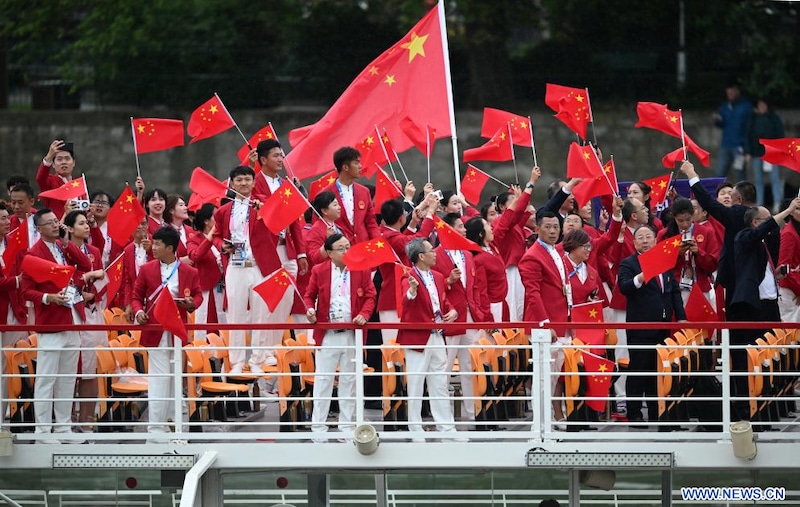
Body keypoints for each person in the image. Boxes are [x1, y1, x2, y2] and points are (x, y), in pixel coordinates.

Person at [213, 165, 300, 375]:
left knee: (262, 313)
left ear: (254, 182)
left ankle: (258, 360)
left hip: (260, 266)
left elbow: (280, 225)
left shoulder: (263, 204)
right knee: (236, 314)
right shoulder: (224, 211)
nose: (243, 183)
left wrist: (266, 210)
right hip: (236, 265)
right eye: (239, 180)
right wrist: (221, 246)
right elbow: (216, 235)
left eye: (247, 180)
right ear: (232, 183)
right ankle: (236, 362)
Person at [20, 208, 93, 442]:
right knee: (46, 378)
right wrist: (48, 298)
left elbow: (84, 263)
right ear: (38, 229)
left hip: (71, 316)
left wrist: (67, 241)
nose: (55, 225)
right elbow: (26, 290)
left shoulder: (63, 247)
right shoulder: (34, 253)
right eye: (50, 223)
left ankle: (63, 428)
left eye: (56, 221)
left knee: (67, 377)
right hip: (51, 320)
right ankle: (43, 430)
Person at [728, 199, 800, 421]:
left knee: (771, 358)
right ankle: (749, 410)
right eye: (767, 220)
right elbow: (761, 231)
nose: (771, 224)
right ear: (756, 223)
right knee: (751, 360)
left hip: (769, 306)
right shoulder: (743, 237)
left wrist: (777, 274)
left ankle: (768, 408)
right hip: (750, 310)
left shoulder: (761, 245)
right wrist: (788, 211)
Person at [303, 233, 376, 441]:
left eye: (348, 247)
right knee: (323, 380)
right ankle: (318, 428)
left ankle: (346, 426)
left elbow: (371, 295)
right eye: (341, 248)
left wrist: (364, 314)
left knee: (349, 381)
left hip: (352, 333)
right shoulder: (319, 270)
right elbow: (309, 295)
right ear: (330, 253)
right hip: (328, 333)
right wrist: (310, 310)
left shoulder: (360, 269)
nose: (347, 251)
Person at [131, 226, 202, 439]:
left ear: (170, 248)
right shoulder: (146, 269)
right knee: (160, 378)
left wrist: (191, 304)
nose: (153, 247)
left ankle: (172, 424)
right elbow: (136, 297)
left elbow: (198, 296)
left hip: (177, 330)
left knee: (174, 379)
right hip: (154, 328)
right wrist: (139, 311)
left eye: (157, 244)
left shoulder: (190, 272)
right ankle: (155, 429)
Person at [617, 225, 686, 426]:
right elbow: (625, 287)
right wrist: (642, 275)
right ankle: (635, 413)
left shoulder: (664, 262)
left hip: (663, 326)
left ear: (656, 240)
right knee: (639, 370)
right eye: (641, 237)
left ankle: (657, 411)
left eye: (649, 237)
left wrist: (681, 317)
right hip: (640, 327)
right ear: (634, 242)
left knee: (658, 370)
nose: (645, 240)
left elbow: (673, 292)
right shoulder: (628, 263)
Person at [397, 238, 462, 441]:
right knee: (416, 382)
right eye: (431, 251)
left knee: (440, 383)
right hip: (418, 336)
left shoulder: (438, 276)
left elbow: (443, 301)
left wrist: (452, 311)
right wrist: (412, 291)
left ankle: (446, 428)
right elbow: (405, 301)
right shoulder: (407, 277)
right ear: (421, 256)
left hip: (437, 335)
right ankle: (415, 429)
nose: (435, 254)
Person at [680, 160, 756, 309]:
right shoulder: (766, 219)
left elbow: (708, 203)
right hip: (759, 281)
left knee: (738, 326)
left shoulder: (737, 214)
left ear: (739, 200)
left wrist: (691, 174)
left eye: (731, 196)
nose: (728, 198)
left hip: (737, 279)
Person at [519, 211, 571, 424]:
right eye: (548, 227)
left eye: (556, 227)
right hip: (545, 325)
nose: (552, 231)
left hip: (560, 321)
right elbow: (533, 293)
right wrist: (544, 323)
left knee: (553, 375)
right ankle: (540, 423)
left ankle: (547, 420)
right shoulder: (532, 255)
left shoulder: (555, 251)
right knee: (543, 376)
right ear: (538, 228)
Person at [432, 213, 484, 425]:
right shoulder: (435, 255)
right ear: (449, 229)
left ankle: (471, 414)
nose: (464, 230)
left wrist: (479, 313)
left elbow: (475, 288)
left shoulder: (468, 254)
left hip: (470, 317)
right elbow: (432, 287)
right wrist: (448, 281)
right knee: (444, 368)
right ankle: (443, 417)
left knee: (470, 365)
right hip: (450, 317)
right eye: (460, 226)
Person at [63, 209, 106, 431]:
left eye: (86, 223)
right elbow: (63, 281)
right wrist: (80, 294)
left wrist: (93, 295)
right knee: (71, 368)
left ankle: (87, 423)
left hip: (90, 313)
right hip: (70, 312)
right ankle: (67, 421)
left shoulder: (94, 251)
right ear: (69, 229)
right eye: (81, 223)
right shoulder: (63, 252)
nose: (86, 226)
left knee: (90, 369)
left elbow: (102, 280)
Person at [376, 196, 436, 343]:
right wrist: (430, 213)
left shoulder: (388, 234)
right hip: (393, 298)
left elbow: (404, 243)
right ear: (401, 218)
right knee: (395, 349)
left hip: (397, 295)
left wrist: (414, 222)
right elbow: (417, 240)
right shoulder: (391, 237)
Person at [657, 198, 719, 307]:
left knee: (701, 323)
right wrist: (676, 254)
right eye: (680, 221)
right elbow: (659, 266)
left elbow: (713, 265)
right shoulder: (664, 234)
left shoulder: (706, 232)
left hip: (700, 287)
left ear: (693, 214)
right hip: (674, 288)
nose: (685, 224)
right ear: (674, 217)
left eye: (688, 219)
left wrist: (698, 252)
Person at [323, 146, 381, 245]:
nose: (360, 166)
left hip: (364, 246)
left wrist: (378, 242)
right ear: (345, 167)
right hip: (341, 249)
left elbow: (371, 222)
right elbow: (321, 225)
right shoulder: (326, 194)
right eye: (356, 163)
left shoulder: (364, 191)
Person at [187, 204, 225, 341]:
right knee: (206, 325)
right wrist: (209, 238)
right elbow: (195, 256)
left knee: (224, 322)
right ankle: (203, 355)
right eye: (216, 216)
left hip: (223, 288)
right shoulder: (194, 238)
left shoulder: (222, 237)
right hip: (206, 289)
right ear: (206, 221)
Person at [745, 98, 785, 210]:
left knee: (775, 179)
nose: (761, 107)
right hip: (757, 152)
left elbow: (780, 134)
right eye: (760, 105)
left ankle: (777, 202)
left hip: (771, 153)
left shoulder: (773, 118)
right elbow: (747, 136)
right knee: (758, 179)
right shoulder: (753, 119)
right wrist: (748, 152)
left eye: (763, 105)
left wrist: (779, 149)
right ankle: (759, 203)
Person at [465, 216, 507, 323]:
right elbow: (481, 291)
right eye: (487, 225)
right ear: (480, 233)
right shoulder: (478, 259)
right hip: (493, 307)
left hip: (503, 303)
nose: (491, 227)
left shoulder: (492, 247)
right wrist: (487, 317)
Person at [713, 81, 752, 182]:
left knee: (739, 173)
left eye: (732, 92)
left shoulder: (746, 106)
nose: (730, 95)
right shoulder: (725, 106)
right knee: (719, 172)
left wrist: (746, 147)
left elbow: (749, 127)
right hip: (726, 144)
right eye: (728, 93)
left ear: (737, 91)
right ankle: (718, 195)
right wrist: (716, 121)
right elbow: (722, 123)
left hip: (739, 146)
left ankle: (742, 195)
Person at [36, 140, 83, 219]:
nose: (63, 162)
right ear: (53, 164)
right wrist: (49, 157)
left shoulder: (79, 185)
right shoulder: (50, 182)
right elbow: (40, 178)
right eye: (59, 159)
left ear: (73, 162)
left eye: (67, 159)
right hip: (57, 228)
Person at [121, 219, 153, 321]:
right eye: (135, 224)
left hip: (155, 299)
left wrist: (151, 251)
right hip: (137, 301)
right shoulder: (128, 250)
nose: (139, 226)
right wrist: (128, 303)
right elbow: (128, 280)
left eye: (143, 223)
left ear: (148, 226)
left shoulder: (158, 243)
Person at [86, 190, 123, 268]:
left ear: (111, 208)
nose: (99, 205)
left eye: (104, 203)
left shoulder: (115, 230)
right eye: (96, 202)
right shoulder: (82, 226)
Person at [778, 198, 800, 323]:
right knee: (789, 332)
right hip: (789, 291)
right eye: (798, 209)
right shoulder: (789, 233)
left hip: (796, 287)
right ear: (790, 212)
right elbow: (783, 267)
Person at [164, 194, 194, 263]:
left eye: (185, 205)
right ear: (171, 210)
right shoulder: (165, 232)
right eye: (181, 205)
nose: (186, 208)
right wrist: (180, 261)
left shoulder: (192, 231)